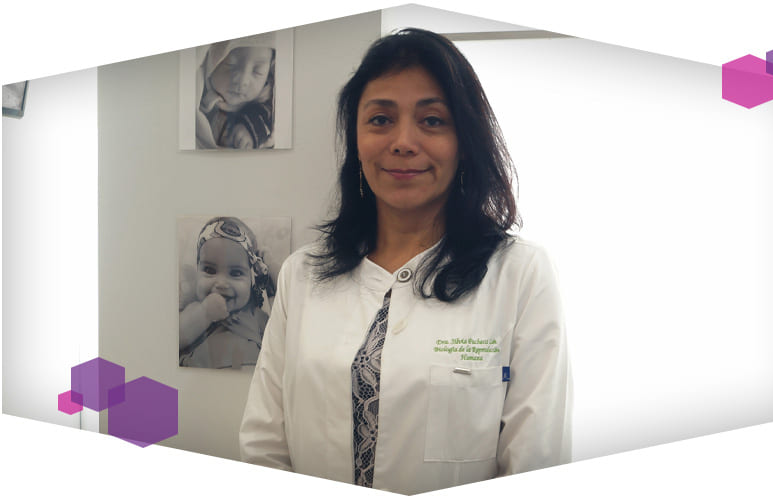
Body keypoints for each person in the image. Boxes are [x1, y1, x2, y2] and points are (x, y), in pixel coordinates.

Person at [239, 28, 571, 494]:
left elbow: (535, 460)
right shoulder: (302, 273)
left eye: (432, 120)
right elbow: (264, 443)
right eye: (380, 119)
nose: (403, 141)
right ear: (356, 138)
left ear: (465, 140)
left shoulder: (521, 275)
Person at [179, 217, 275, 369]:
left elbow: (284, 336)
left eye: (236, 273)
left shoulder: (257, 316)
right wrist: (205, 313)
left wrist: (272, 269)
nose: (222, 283)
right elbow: (174, 340)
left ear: (251, 279)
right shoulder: (194, 309)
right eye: (209, 270)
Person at [196, 33, 276, 149]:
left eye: (257, 71)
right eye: (231, 65)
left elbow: (269, 119)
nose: (243, 81)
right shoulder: (196, 94)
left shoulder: (264, 104)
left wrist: (251, 130)